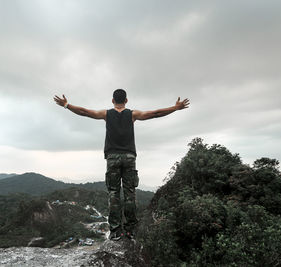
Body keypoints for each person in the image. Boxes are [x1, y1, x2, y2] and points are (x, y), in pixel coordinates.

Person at [53, 89, 189, 240]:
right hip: (129, 157)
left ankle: (116, 231)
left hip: (112, 157)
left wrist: (66, 105)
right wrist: (175, 108)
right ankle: (131, 230)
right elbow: (155, 113)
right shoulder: (133, 114)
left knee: (114, 194)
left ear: (112, 101)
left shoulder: (106, 114)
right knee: (130, 194)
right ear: (126, 100)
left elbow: (85, 112)